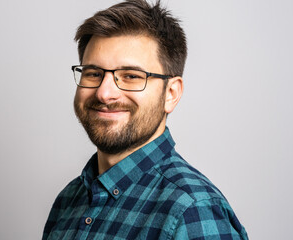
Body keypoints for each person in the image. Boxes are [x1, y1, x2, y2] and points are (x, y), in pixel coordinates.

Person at [42, 0, 248, 239]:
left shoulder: (193, 211)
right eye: (94, 73)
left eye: (130, 76)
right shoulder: (68, 200)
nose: (104, 93)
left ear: (171, 94)